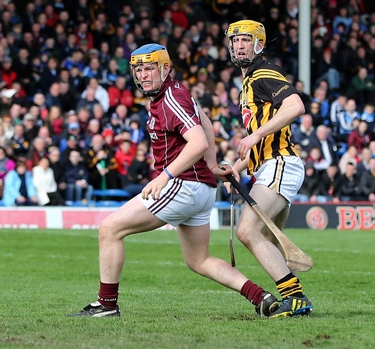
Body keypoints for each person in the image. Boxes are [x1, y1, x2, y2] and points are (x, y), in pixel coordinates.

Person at [70, 43, 279, 318]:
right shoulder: (174, 93)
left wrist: (165, 175)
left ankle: (106, 305)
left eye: (149, 69)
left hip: (183, 185)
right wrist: (212, 165)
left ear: (165, 68)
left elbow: (198, 140)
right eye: (139, 70)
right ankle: (260, 297)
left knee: (109, 229)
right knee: (199, 260)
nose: (143, 75)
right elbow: (203, 120)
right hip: (201, 188)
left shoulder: (170, 97)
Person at [226, 20, 312, 317]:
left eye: (246, 40)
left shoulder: (263, 74)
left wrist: (254, 135)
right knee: (269, 238)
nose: (239, 45)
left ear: (259, 44)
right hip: (269, 166)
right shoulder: (247, 83)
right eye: (235, 40)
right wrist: (237, 166)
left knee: (247, 231)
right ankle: (295, 298)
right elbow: (258, 141)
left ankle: (295, 297)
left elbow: (296, 106)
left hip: (281, 163)